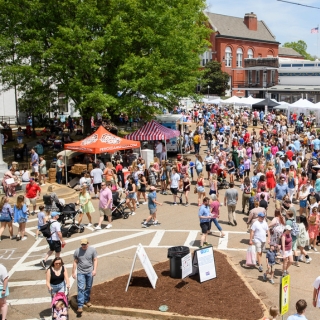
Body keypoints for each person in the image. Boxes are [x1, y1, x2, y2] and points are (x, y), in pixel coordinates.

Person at [72, 238, 98, 314]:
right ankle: (80, 305)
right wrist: (73, 272)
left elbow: (95, 259)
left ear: (88, 243)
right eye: (82, 244)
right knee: (80, 287)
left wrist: (94, 270)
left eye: (85, 244)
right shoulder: (77, 251)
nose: (83, 246)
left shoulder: (92, 250)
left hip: (89, 272)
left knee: (88, 286)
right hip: (80, 272)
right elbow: (75, 262)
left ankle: (86, 300)